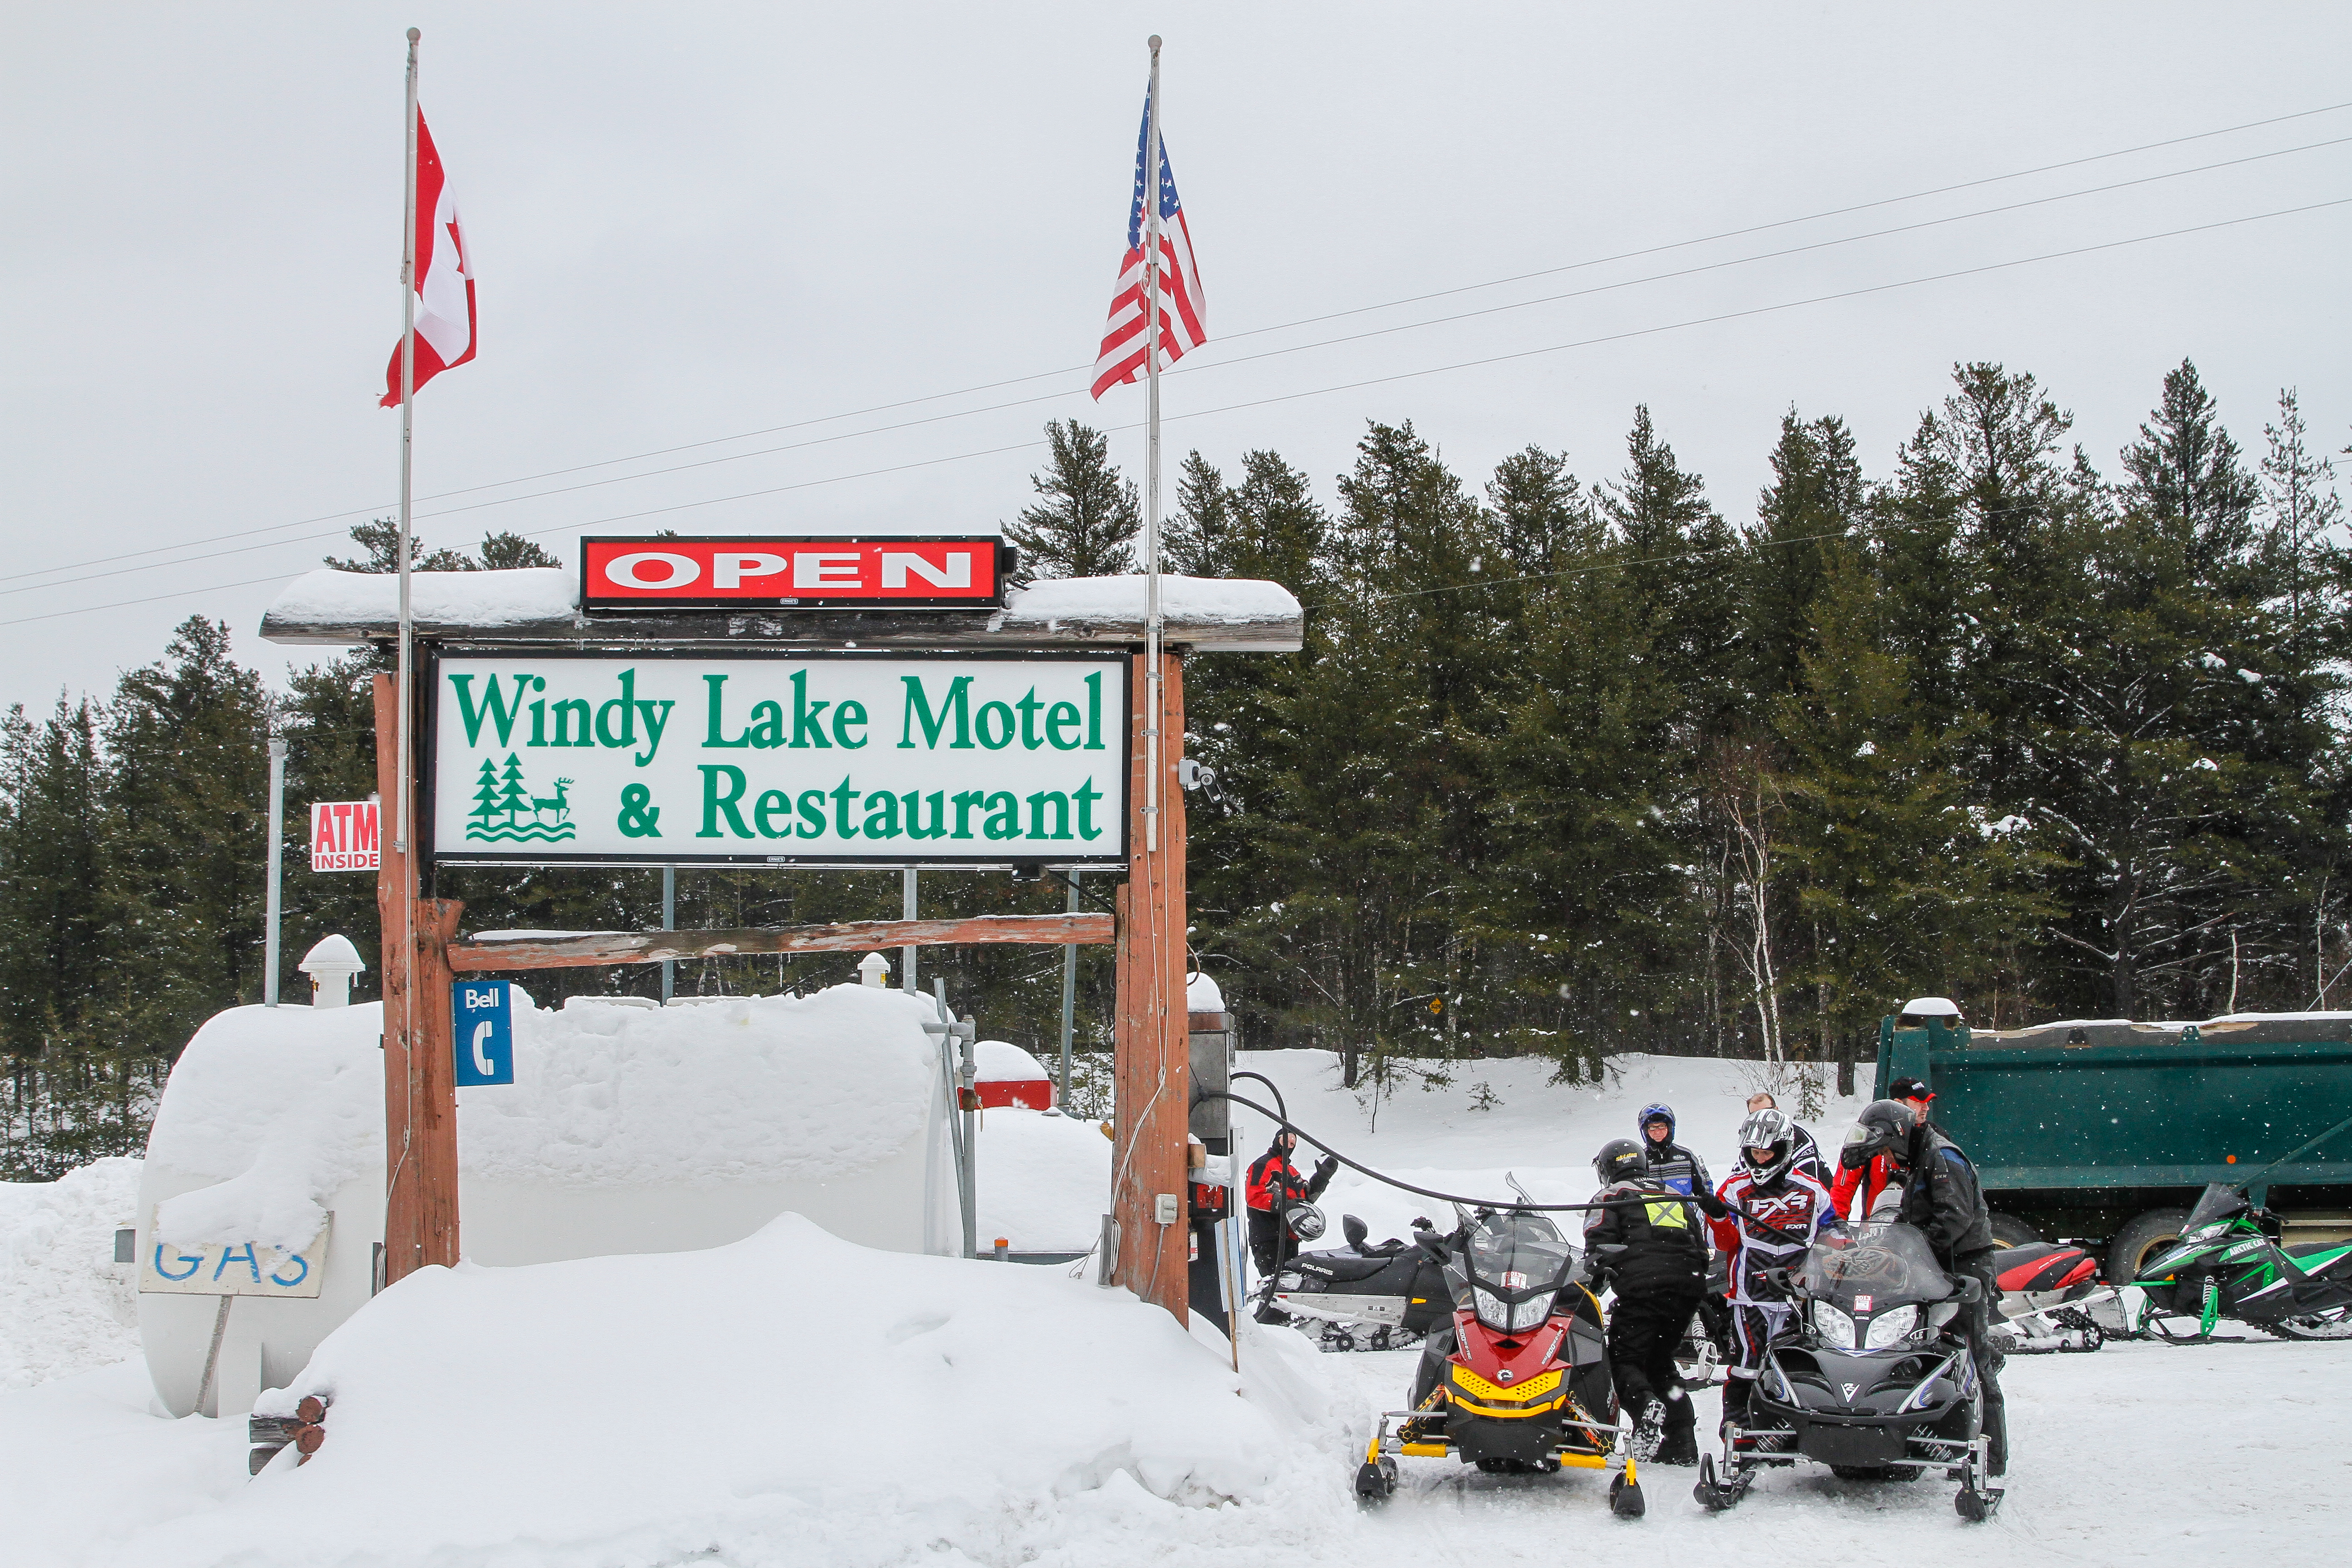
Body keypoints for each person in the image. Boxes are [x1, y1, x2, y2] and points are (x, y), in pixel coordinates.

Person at [1840, 1096, 2006, 1475]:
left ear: (1899, 1137)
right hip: (1933, 1263)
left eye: (1885, 1150)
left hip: (1963, 1266)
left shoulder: (1943, 1158)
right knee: (1924, 1349)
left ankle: (1991, 1457)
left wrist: (1909, 1253)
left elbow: (1954, 1219)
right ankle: (1925, 1437)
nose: (1886, 1159)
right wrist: (1881, 1242)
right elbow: (1913, 1214)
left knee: (1971, 1355)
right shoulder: (1921, 1159)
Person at [1709, 1108, 1840, 1436]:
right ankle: (1739, 1431)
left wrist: (1838, 1251)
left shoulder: (1812, 1190)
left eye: (1768, 1152)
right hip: (1749, 1297)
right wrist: (1717, 1217)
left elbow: (1836, 1234)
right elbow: (1724, 1244)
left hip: (1799, 1298)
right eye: (1755, 1152)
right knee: (1747, 1365)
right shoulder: (1734, 1189)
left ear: (1784, 1149)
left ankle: (1791, 1429)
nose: (1761, 1159)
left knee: (1795, 1365)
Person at [1583, 1138, 1709, 1464]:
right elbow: (1699, 1242)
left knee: (1623, 1360)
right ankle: (1682, 1441)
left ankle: (1645, 1406)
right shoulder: (1674, 1195)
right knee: (1660, 1362)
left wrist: (1591, 1286)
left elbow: (1598, 1248)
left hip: (1643, 1290)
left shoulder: (1610, 1196)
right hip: (1687, 1291)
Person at [1829, 1076, 1931, 1221]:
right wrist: (1836, 1229)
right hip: (1874, 1230)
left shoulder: (1932, 1139)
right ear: (1899, 1104)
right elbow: (1842, 1189)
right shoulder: (1871, 1136)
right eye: (1918, 1102)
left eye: (1927, 1102)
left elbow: (1946, 1197)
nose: (1926, 1108)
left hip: (1917, 1234)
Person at [1245, 1128, 1337, 1278]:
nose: (1289, 1145)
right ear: (1277, 1140)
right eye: (1285, 1141)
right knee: (1277, 1284)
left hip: (1291, 1238)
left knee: (1290, 1284)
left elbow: (1304, 1200)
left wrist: (1321, 1179)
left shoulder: (1291, 1171)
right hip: (1269, 1238)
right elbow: (1254, 1197)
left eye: (1292, 1143)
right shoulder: (1263, 1165)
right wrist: (1286, 1204)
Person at [1635, 1104, 1729, 1217]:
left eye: (1662, 1127)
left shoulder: (1687, 1156)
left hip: (1685, 1221)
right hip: (1650, 1223)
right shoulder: (1639, 1159)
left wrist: (1705, 1212)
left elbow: (1705, 1191)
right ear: (1645, 1131)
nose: (1658, 1132)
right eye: (1652, 1128)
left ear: (1670, 1128)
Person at [1743, 1091, 1826, 1184]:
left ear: (1777, 1110)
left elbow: (1809, 1181)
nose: (1762, 1119)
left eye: (1767, 1112)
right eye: (1754, 1115)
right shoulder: (1752, 1138)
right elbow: (1738, 1174)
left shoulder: (1797, 1135)